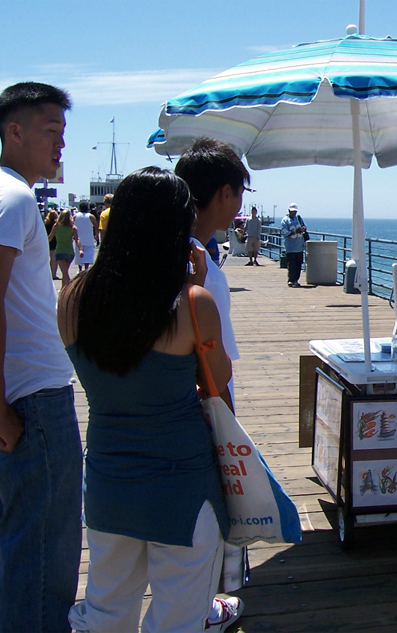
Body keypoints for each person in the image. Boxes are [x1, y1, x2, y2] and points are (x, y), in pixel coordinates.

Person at [61, 167, 241, 633]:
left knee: (105, 612)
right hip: (182, 485)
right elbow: (217, 382)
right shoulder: (192, 303)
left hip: (108, 481)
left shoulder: (73, 298)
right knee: (179, 618)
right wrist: (197, 285)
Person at [0, 81, 81, 633]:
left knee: (10, 546)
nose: (60, 145)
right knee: (43, 553)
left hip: (13, 396)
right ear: (14, 130)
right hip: (32, 401)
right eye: (50, 131)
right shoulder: (17, 199)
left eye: (63, 133)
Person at [175, 138, 251, 613]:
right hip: (200, 415)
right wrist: (231, 437)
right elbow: (214, 366)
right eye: (239, 192)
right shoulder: (206, 272)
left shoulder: (162, 253)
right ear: (225, 193)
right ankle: (203, 610)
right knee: (206, 525)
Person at [47, 208, 76, 287]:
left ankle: (67, 289)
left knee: (65, 272)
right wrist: (80, 249)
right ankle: (64, 289)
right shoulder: (72, 227)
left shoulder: (57, 226)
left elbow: (50, 237)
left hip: (60, 251)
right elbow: (77, 239)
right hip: (70, 252)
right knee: (65, 272)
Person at [280, 202, 307, 287]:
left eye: (295, 211)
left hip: (299, 246)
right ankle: (291, 280)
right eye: (292, 211)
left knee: (298, 264)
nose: (294, 213)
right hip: (290, 247)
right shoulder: (285, 220)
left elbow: (304, 227)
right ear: (289, 211)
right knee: (291, 264)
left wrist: (303, 229)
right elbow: (284, 232)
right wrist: (295, 232)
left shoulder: (298, 218)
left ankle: (296, 280)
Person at [73, 200, 97, 273]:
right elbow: (96, 226)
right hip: (89, 238)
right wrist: (96, 235)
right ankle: (86, 269)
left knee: (78, 254)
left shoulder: (75, 216)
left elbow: (71, 225)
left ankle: (80, 269)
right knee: (88, 254)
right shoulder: (91, 216)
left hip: (78, 238)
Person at [44, 206, 59, 278]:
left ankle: (49, 274)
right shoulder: (57, 224)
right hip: (55, 241)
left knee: (49, 258)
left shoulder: (46, 224)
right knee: (54, 259)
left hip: (48, 240)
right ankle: (54, 274)